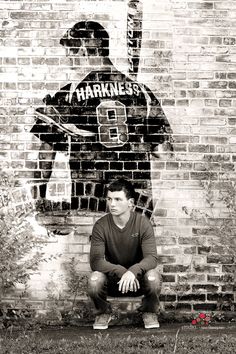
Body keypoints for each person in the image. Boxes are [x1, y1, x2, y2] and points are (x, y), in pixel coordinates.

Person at [30, 20, 173, 216]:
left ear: (83, 49)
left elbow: (45, 156)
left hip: (89, 204)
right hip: (136, 208)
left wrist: (38, 201)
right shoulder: (143, 94)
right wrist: (135, 134)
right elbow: (164, 153)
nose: (67, 57)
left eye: (70, 49)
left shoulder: (67, 97)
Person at [88, 178, 162, 330]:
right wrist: (122, 272)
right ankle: (103, 312)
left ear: (130, 202)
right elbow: (96, 261)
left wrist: (133, 271)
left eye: (117, 199)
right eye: (109, 199)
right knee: (94, 280)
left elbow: (151, 258)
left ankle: (149, 311)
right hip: (114, 280)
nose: (112, 204)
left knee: (153, 277)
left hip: (139, 280)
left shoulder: (142, 223)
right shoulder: (101, 226)